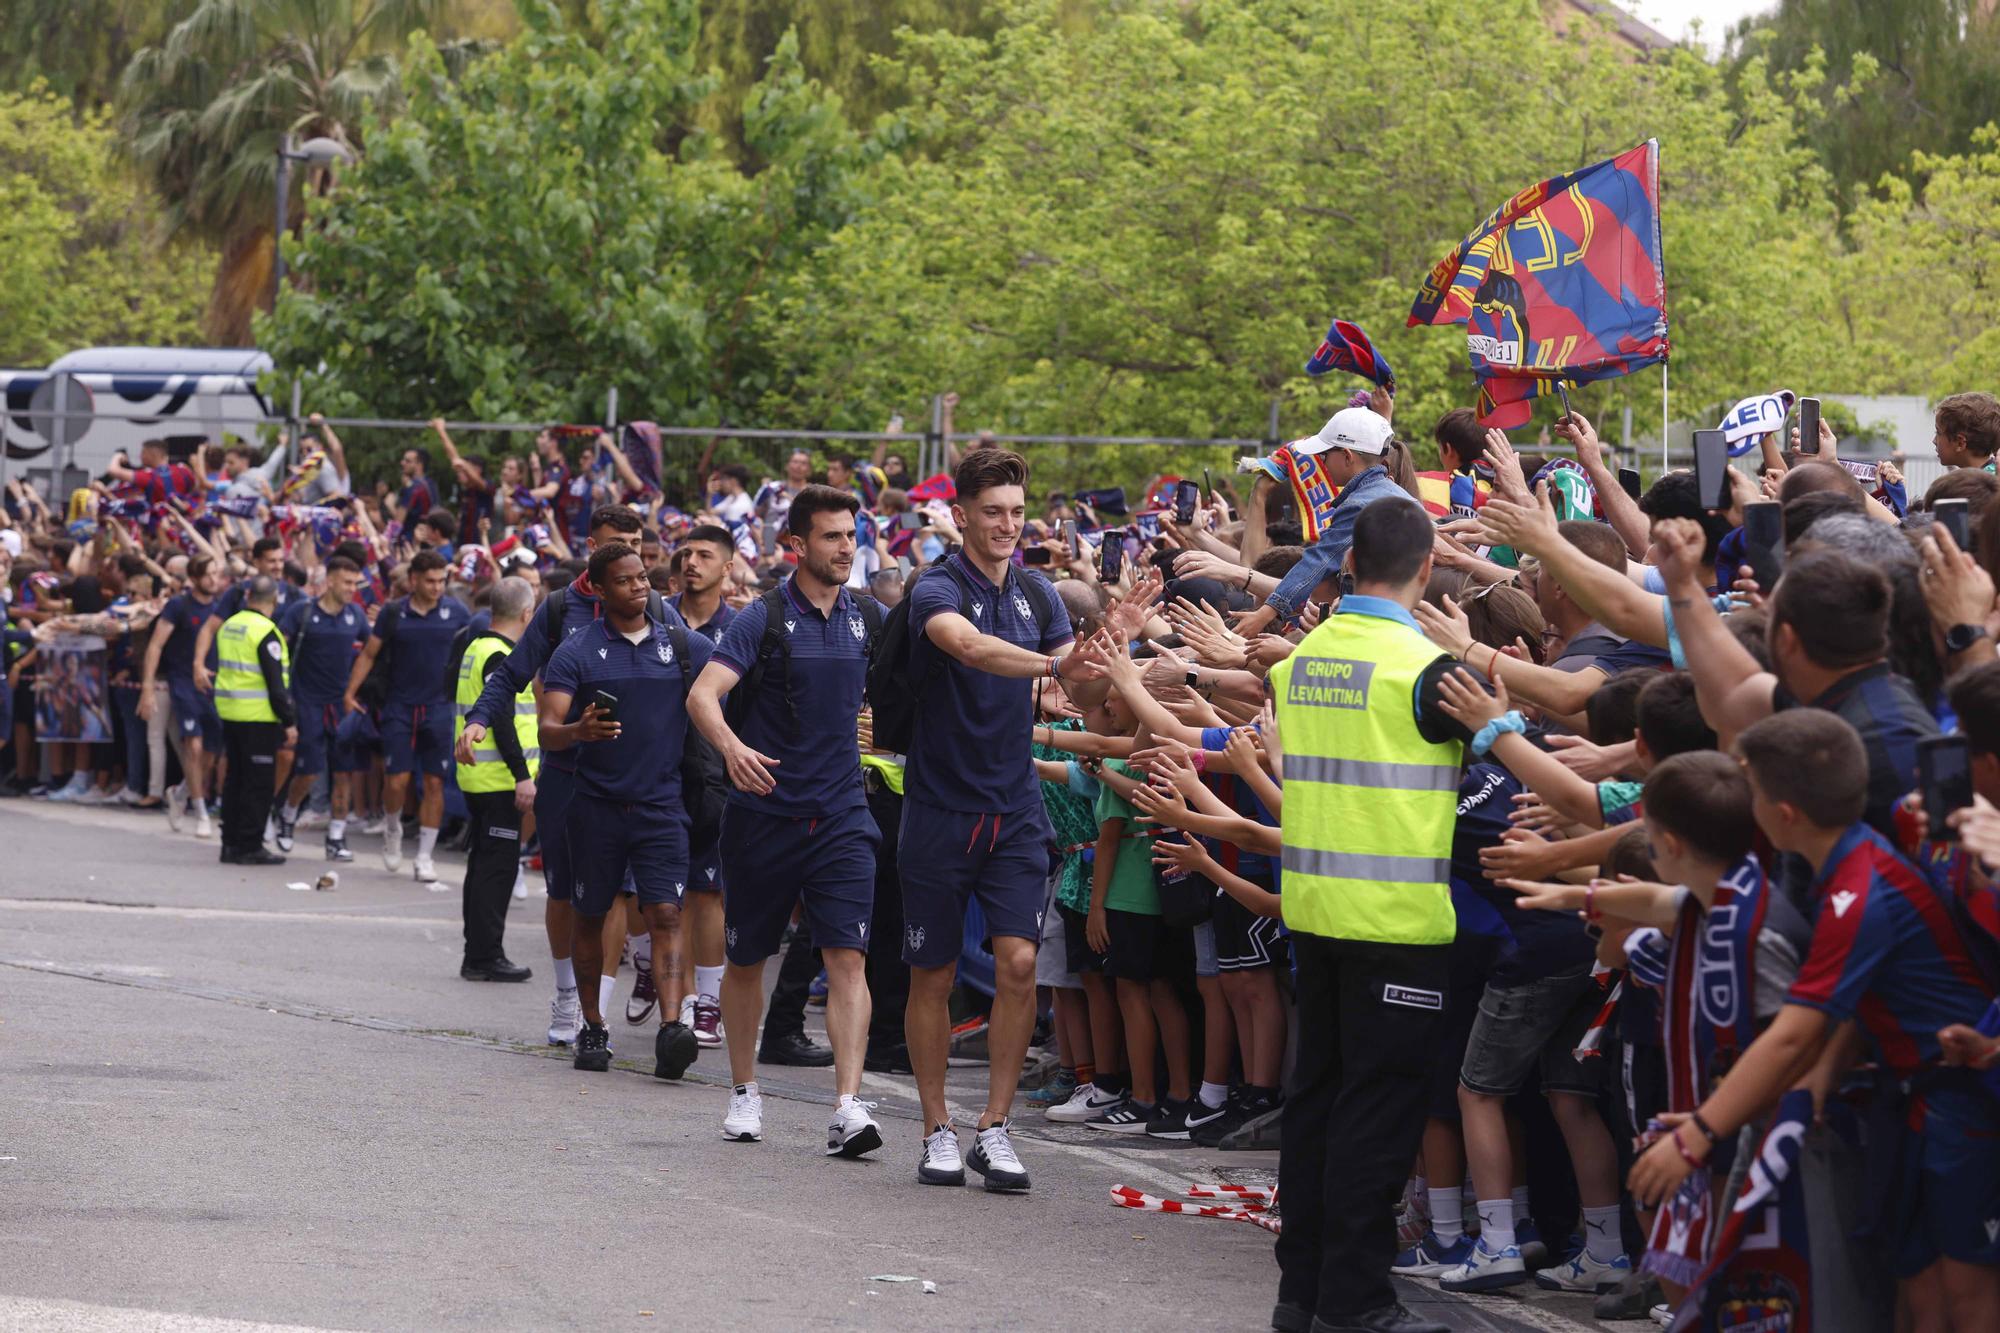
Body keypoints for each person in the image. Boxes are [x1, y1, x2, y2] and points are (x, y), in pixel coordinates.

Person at [1629, 710, 1998, 1331]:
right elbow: (1843, 1015)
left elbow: (1796, 1031)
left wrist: (1699, 1137)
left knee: (1965, 1298)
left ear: (1783, 815)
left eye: (1752, 793)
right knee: (1918, 1295)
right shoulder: (1850, 866)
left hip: (1959, 1103)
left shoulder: (1860, 889)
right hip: (1915, 1101)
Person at [1264, 497, 1469, 1333]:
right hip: (1397, 923)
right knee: (1374, 1120)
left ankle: (1303, 1292)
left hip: (1314, 911)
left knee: (1315, 1104)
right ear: (1426, 568)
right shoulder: (1428, 671)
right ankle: (1356, 1301)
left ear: (1348, 565)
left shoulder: (1304, 659)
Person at [898, 448, 1100, 1193]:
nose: (1008, 525)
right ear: (962, 516)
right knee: (935, 972)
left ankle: (995, 1126)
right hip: (940, 808)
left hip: (1014, 808)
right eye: (993, 511)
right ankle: (935, 1127)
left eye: (1017, 511)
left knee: (1019, 963)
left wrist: (1114, 642)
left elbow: (1076, 675)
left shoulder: (1040, 591)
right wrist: (1056, 668)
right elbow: (971, 647)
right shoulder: (937, 586)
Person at [688, 486, 885, 1156]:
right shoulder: (762, 617)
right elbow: (703, 694)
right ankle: (744, 1091)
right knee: (746, 959)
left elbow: (903, 693)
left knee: (848, 957)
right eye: (830, 536)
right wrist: (733, 748)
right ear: (796, 544)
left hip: (840, 814)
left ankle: (848, 1105)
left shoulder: (868, 615)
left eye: (849, 534)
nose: (844, 547)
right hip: (763, 815)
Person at [457, 505, 680, 1045]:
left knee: (629, 899)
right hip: (568, 775)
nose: (630, 551)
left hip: (637, 780)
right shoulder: (559, 611)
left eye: (635, 543)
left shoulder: (655, 610)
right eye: (616, 543)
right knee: (569, 895)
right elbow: (510, 675)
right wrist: (480, 719)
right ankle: (567, 999)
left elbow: (697, 671)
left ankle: (595, 1012)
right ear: (592, 551)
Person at [540, 541, 712, 1078]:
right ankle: (592, 1025)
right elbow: (548, 732)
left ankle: (671, 1027)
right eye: (625, 579)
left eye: (644, 577)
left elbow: (736, 689)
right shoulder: (577, 651)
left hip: (663, 808)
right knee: (591, 916)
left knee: (665, 913)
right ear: (597, 588)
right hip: (595, 808)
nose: (640, 586)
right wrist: (578, 731)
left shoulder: (683, 647)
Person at [342, 550, 470, 883]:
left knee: (434, 783)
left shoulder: (457, 612)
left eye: (442, 580)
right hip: (398, 707)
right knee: (396, 781)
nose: (437, 587)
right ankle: (393, 826)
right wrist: (349, 692)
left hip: (440, 708)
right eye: (430, 580)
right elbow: (369, 654)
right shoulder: (393, 612)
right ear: (413, 580)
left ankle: (425, 856)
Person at [660, 524, 735, 1046]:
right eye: (686, 554)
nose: (692, 562)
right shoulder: (657, 617)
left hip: (715, 775)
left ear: (727, 567)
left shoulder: (743, 624)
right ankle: (678, 998)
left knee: (709, 892)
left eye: (705, 555)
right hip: (661, 772)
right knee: (668, 898)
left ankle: (709, 1002)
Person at [1240, 402, 1405, 635]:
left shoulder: (1360, 506)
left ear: (1347, 457)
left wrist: (1264, 614)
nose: (1323, 461)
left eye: (1326, 454)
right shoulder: (1395, 495)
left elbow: (1319, 561)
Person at [453, 575, 537, 983]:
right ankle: (485, 956)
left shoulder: (477, 646)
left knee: (483, 865)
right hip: (497, 779)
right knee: (495, 870)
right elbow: (501, 719)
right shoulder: (499, 656)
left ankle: (480, 951)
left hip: (480, 777)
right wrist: (523, 775)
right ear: (526, 614)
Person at [274, 556, 370, 860]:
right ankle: (287, 816)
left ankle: (337, 838)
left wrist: (358, 693)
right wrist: (284, 697)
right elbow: (276, 650)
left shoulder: (356, 616)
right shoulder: (301, 612)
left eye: (356, 583)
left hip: (340, 706)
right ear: (329, 581)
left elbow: (372, 652)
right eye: (346, 582)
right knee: (309, 773)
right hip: (308, 704)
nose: (352, 589)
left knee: (344, 774)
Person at [213, 576, 295, 866]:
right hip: (258, 717)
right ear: (274, 600)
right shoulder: (266, 631)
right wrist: (289, 721)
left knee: (235, 780)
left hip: (230, 711)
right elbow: (276, 684)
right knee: (258, 784)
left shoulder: (229, 625)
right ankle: (250, 845)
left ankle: (230, 843)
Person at [140, 553, 222, 839]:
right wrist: (148, 688)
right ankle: (199, 812)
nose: (214, 580)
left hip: (213, 684)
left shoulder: (221, 606)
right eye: (209, 574)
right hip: (183, 681)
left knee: (210, 752)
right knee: (194, 746)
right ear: (195, 578)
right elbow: (155, 646)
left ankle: (181, 792)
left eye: (216, 573)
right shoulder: (178, 605)